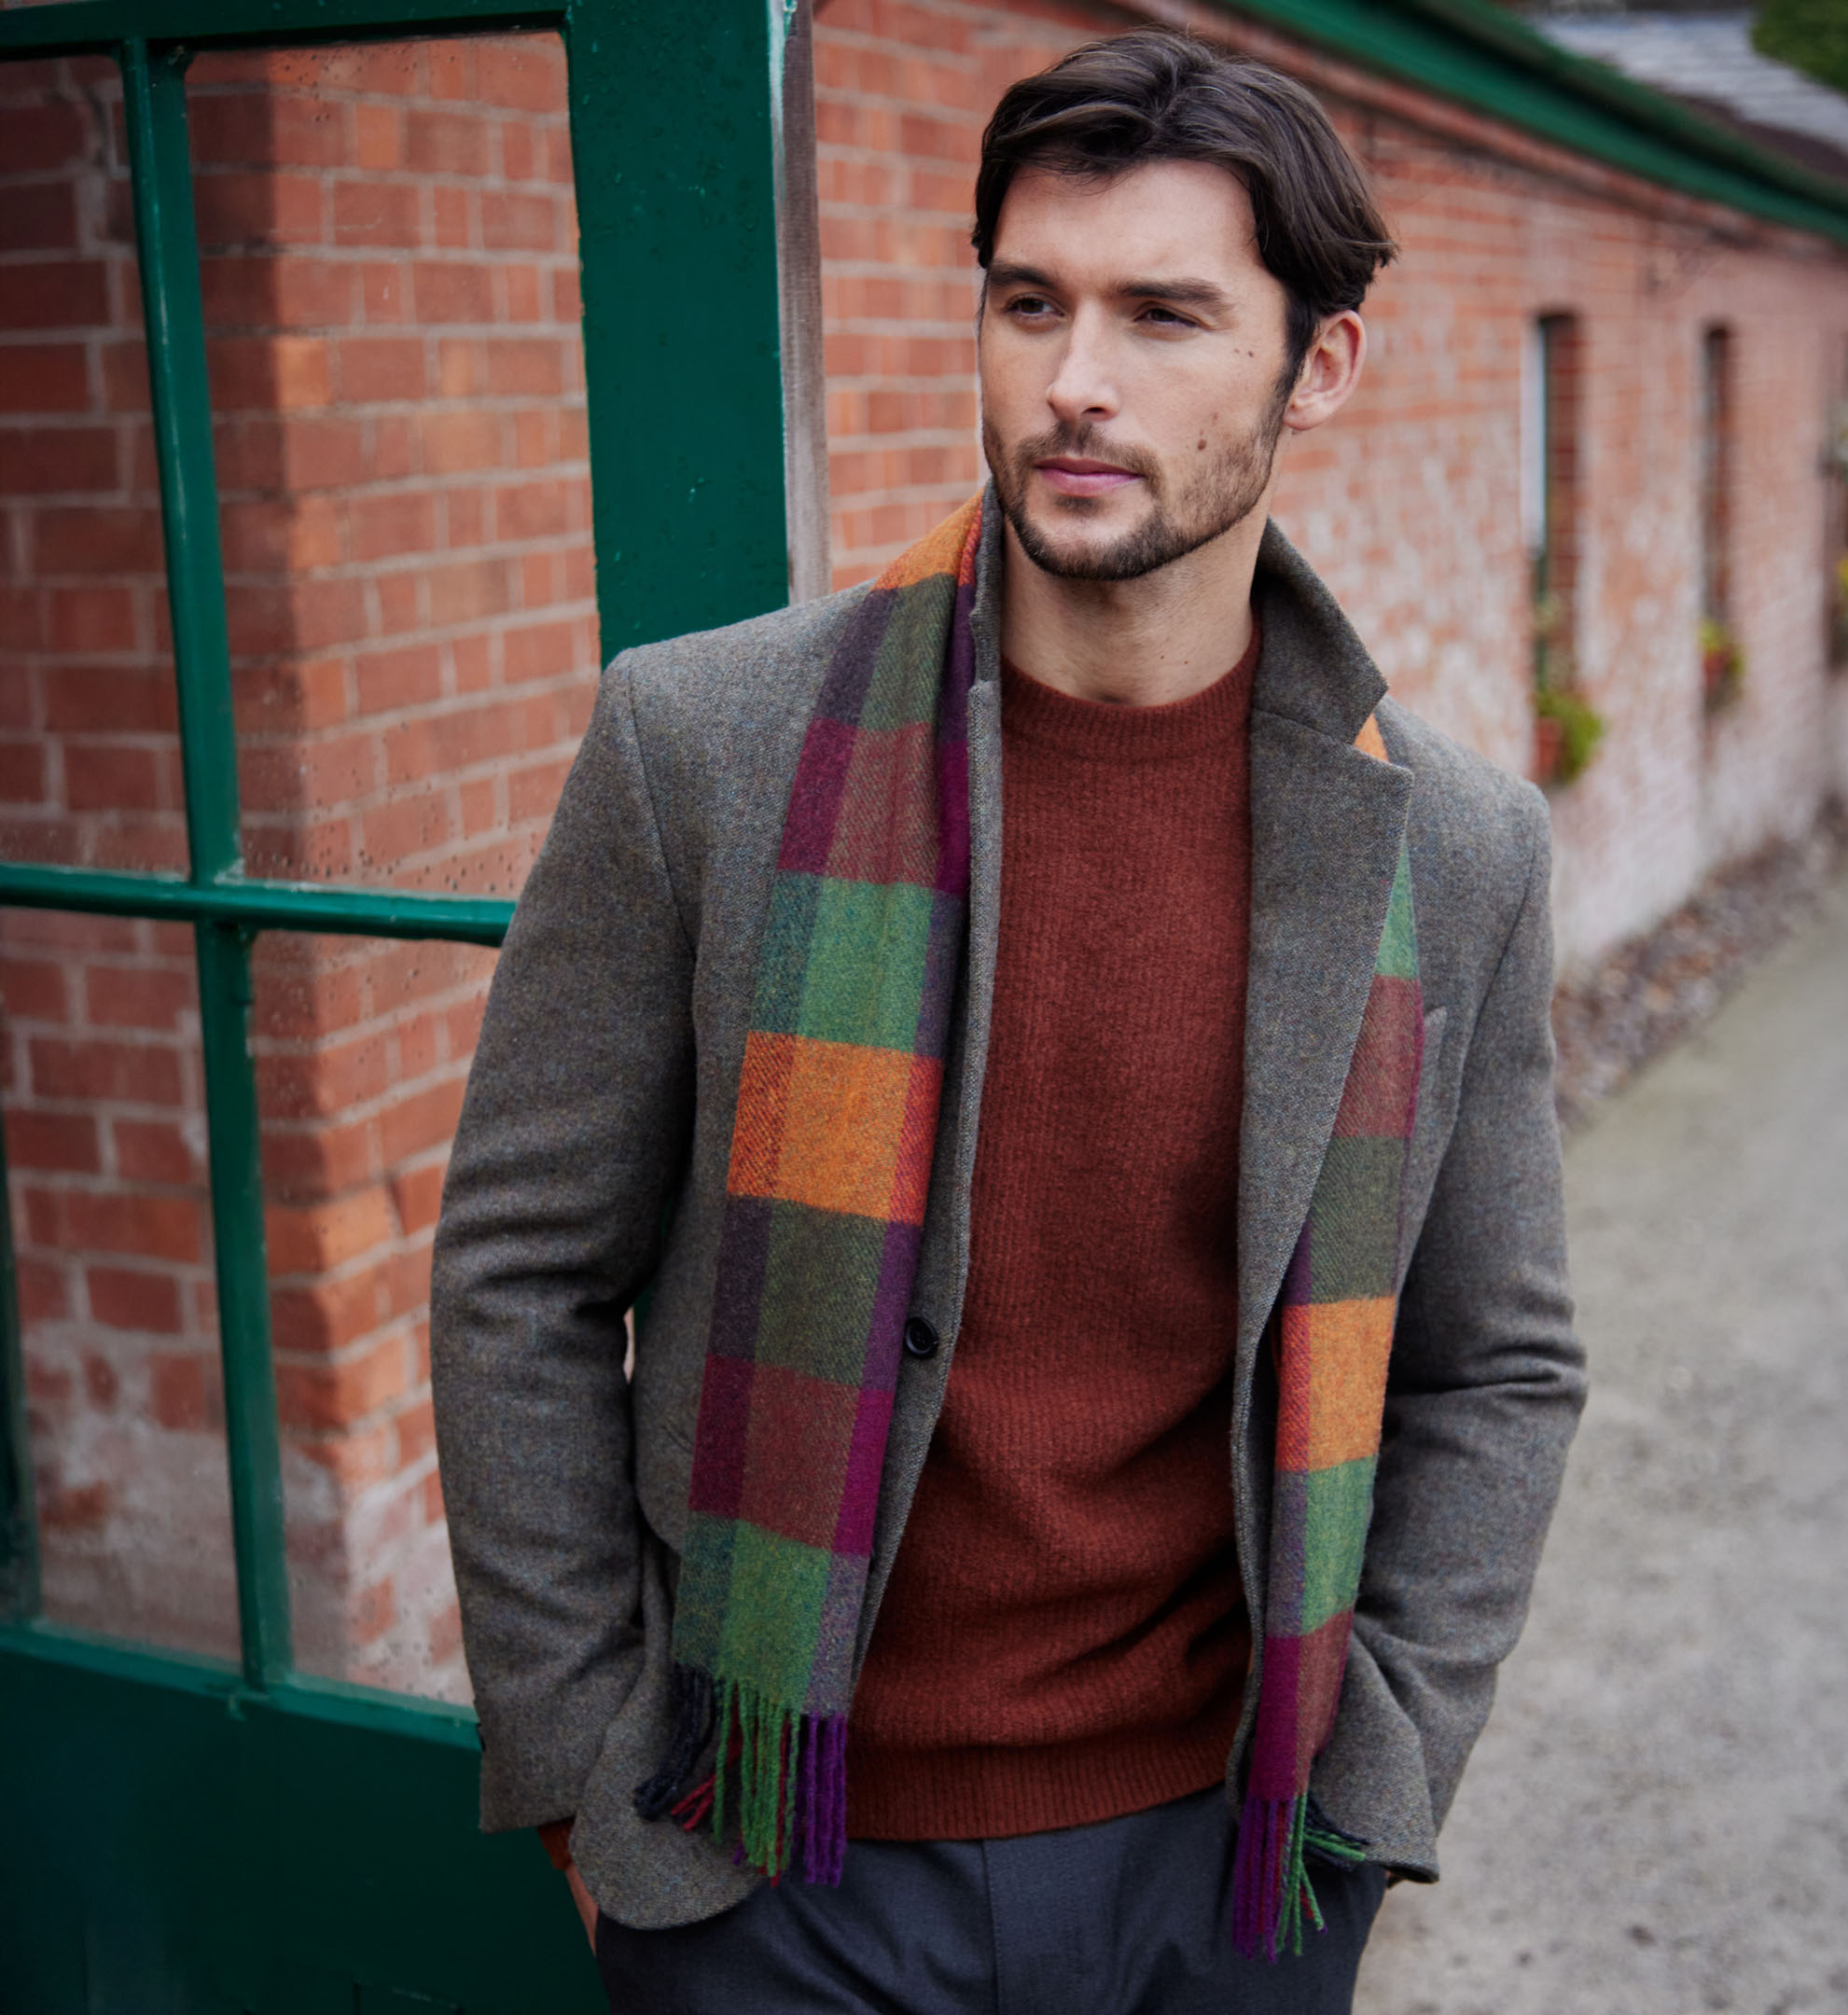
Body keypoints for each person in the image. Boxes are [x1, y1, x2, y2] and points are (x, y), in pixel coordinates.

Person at [431, 27, 1584, 2014]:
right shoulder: (702, 749)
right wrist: (588, 1777)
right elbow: (517, 1275)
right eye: (1030, 302)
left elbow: (1502, 1362)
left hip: (1227, 1877)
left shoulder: (1452, 849)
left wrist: (1381, 1769)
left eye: (1164, 315)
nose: (1073, 382)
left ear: (1318, 366)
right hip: (770, 1865)